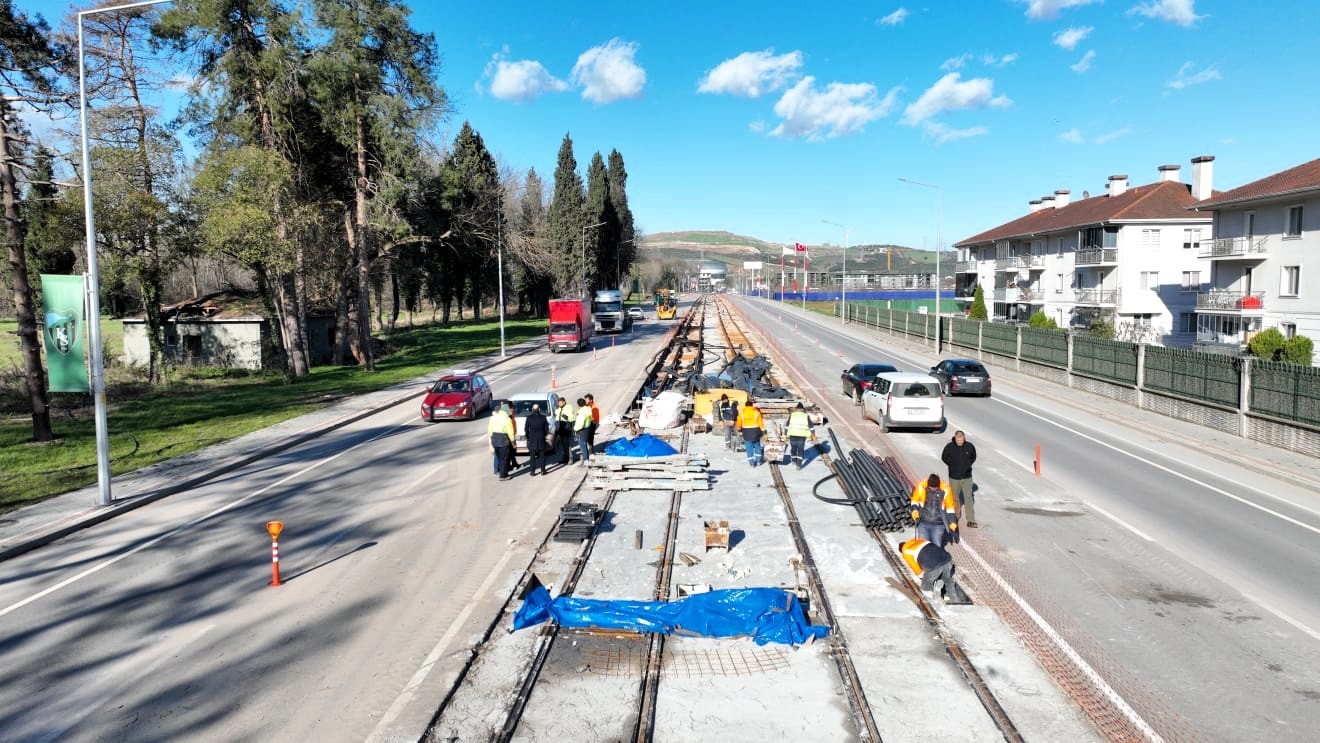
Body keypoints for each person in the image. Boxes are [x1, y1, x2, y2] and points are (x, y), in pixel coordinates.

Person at [898, 538, 970, 603]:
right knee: (948, 580)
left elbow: (915, 567)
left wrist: (922, 577)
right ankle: (953, 600)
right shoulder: (920, 540)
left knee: (926, 587)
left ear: (902, 550)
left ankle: (933, 600)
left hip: (933, 565)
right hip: (947, 558)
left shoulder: (906, 552)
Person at [910, 473, 959, 547]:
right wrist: (914, 510)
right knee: (922, 546)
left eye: (935, 487)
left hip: (938, 524)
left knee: (936, 546)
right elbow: (915, 500)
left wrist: (952, 521)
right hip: (923, 522)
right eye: (931, 487)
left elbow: (950, 507)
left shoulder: (945, 489)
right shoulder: (921, 487)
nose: (933, 489)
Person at [942, 430, 978, 527]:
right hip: (954, 477)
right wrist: (952, 465)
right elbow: (944, 457)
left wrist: (968, 465)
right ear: (955, 438)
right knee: (955, 498)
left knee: (969, 498)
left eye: (961, 440)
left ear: (964, 438)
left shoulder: (969, 446)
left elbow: (973, 457)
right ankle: (956, 517)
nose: (960, 442)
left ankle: (971, 520)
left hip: (967, 477)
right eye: (958, 440)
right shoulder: (949, 447)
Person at [488, 404, 515, 480]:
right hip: (503, 440)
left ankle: (502, 472)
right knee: (504, 458)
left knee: (499, 457)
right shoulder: (507, 419)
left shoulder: (493, 418)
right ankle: (503, 475)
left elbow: (489, 430)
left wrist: (491, 440)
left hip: (495, 439)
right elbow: (511, 432)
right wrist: (513, 442)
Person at [736, 399, 764, 467]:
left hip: (746, 432)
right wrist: (763, 431)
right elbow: (760, 422)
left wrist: (739, 429)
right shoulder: (756, 412)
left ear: (745, 406)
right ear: (752, 405)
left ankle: (751, 463)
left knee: (749, 448)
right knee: (757, 446)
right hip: (756, 431)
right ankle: (758, 461)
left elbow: (739, 422)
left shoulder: (742, 412)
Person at [785, 402, 813, 469]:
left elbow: (787, 425)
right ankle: (799, 465)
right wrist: (813, 435)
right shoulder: (806, 416)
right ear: (803, 409)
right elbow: (811, 426)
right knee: (800, 449)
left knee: (793, 448)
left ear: (796, 409)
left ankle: (794, 460)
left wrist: (785, 434)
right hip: (802, 435)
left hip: (793, 434)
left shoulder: (792, 415)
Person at [525, 403, 550, 476]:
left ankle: (532, 471)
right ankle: (543, 470)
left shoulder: (529, 418)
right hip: (541, 438)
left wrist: (528, 437)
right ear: (539, 409)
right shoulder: (543, 417)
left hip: (532, 439)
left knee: (532, 457)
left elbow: (526, 429)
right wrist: (544, 435)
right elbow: (546, 429)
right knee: (542, 455)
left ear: (532, 409)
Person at [552, 397, 574, 464]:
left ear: (564, 402)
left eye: (560, 403)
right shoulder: (560, 408)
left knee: (567, 445)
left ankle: (570, 459)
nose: (559, 404)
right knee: (563, 445)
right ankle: (565, 458)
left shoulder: (568, 407)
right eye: (558, 403)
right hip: (560, 429)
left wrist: (562, 414)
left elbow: (570, 418)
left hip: (566, 429)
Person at [573, 397, 594, 465]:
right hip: (587, 429)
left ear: (578, 405)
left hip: (581, 431)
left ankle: (586, 460)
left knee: (583, 446)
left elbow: (580, 423)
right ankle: (589, 457)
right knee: (586, 444)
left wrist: (575, 429)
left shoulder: (581, 412)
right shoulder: (588, 409)